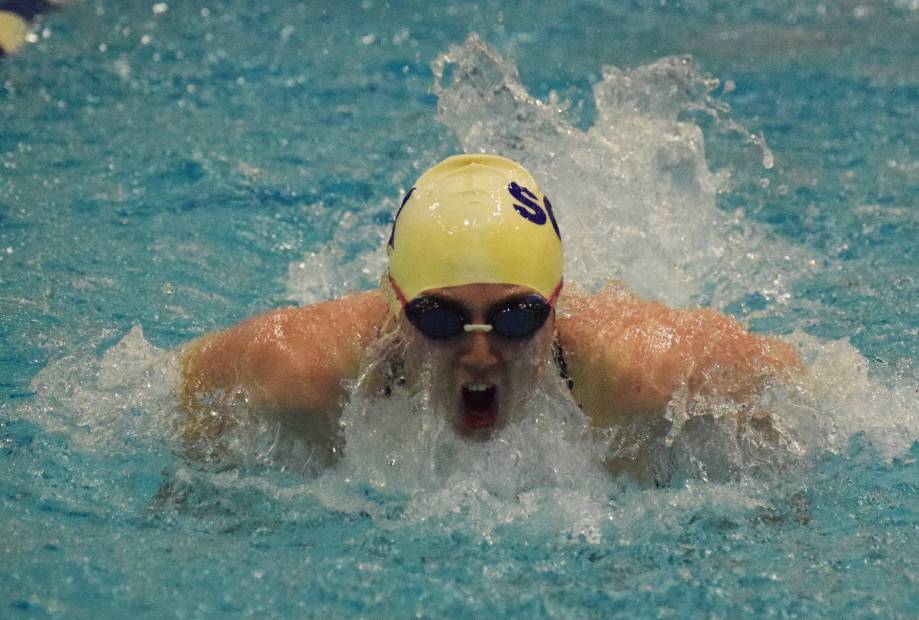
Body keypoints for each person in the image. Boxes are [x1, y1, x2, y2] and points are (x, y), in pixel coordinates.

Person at [179, 154, 802, 467]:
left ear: (556, 308)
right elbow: (184, 391)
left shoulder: (646, 374)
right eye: (440, 318)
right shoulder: (296, 370)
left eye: (516, 317)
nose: (479, 354)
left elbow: (806, 386)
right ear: (396, 310)